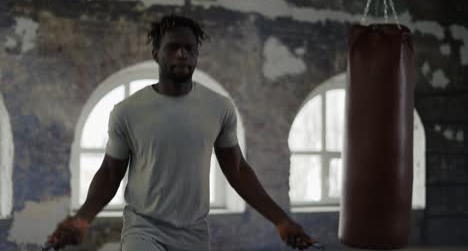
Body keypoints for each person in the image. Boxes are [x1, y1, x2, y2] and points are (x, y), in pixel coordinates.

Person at [47, 15, 318, 251]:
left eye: (189, 48)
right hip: (144, 229)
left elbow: (236, 170)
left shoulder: (219, 107)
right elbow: (109, 173)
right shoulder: (127, 111)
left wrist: (281, 220)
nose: (182, 54)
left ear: (197, 54)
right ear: (156, 53)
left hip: (194, 233)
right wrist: (82, 218)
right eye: (173, 48)